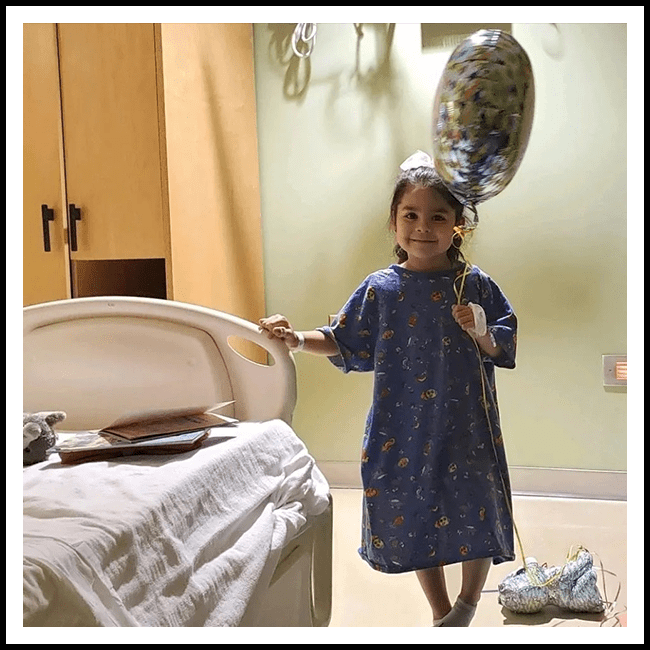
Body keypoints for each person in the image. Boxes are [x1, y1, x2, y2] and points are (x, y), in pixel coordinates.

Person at [259, 152, 517, 627]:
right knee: (418, 513)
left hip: (467, 428)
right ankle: (442, 612)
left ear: (458, 224)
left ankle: (466, 605)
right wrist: (295, 339)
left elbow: (503, 341)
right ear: (394, 224)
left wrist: (481, 330)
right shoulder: (381, 289)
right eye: (411, 215)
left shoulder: (472, 284)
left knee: (475, 509)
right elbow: (342, 338)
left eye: (438, 216)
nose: (423, 227)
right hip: (403, 429)